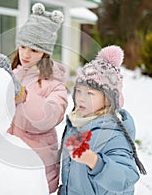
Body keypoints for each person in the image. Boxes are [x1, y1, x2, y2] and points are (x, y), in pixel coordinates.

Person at [0, 3, 68, 193]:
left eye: (34, 50)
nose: (25, 54)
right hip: (8, 160)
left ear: (45, 53)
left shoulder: (54, 84)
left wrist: (24, 96)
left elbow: (49, 117)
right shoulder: (11, 75)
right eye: (23, 46)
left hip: (37, 165)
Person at [60, 45, 146, 195]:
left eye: (90, 94)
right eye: (78, 91)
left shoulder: (113, 134)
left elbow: (126, 176)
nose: (81, 98)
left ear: (108, 99)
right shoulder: (77, 123)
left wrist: (95, 162)